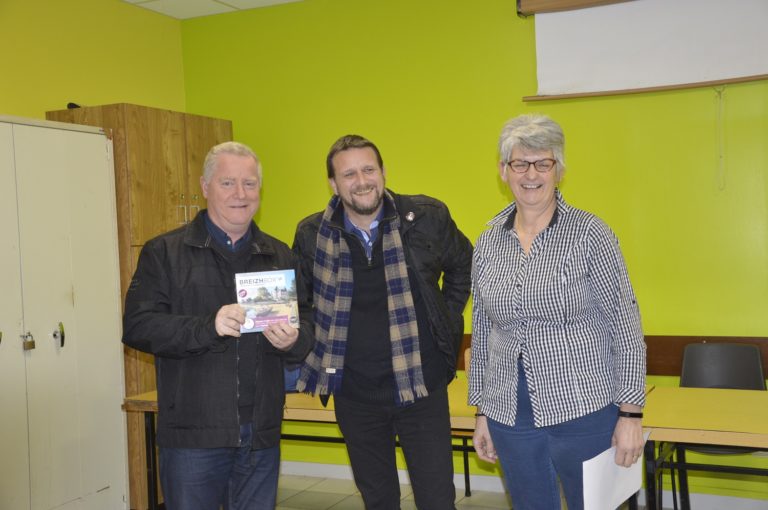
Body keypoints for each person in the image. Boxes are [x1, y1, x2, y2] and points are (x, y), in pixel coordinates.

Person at [122, 141, 314, 510]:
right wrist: (207, 326)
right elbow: (138, 326)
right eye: (228, 183)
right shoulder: (164, 252)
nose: (240, 194)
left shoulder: (279, 255)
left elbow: (307, 321)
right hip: (193, 436)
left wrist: (294, 339)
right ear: (205, 186)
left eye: (250, 183)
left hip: (260, 435)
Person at [468, 114, 646, 510]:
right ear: (503, 171)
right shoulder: (488, 242)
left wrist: (631, 414)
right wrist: (481, 411)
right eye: (520, 163)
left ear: (559, 170)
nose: (531, 174)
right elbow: (483, 333)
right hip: (509, 416)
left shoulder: (590, 234)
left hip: (584, 410)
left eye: (542, 163)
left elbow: (625, 325)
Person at [293, 134, 473, 509]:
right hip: (355, 394)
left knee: (438, 500)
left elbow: (464, 266)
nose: (361, 181)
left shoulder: (427, 217)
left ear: (383, 172)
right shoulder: (312, 235)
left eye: (368, 170)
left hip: (421, 387)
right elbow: (302, 301)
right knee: (379, 500)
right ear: (333, 183)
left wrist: (447, 314)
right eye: (349, 174)